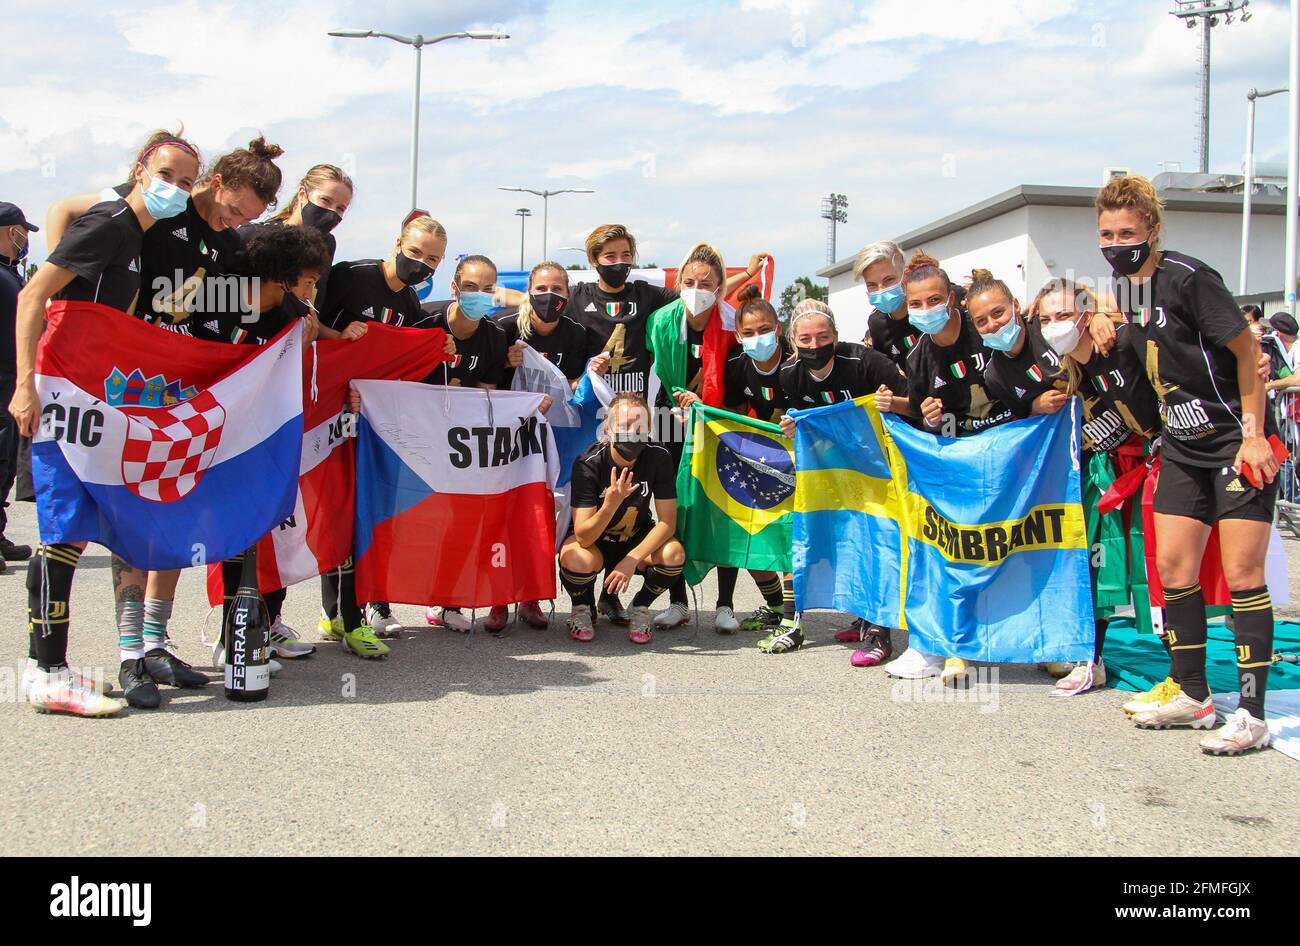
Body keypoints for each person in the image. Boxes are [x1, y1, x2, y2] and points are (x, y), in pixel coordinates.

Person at [12, 130, 204, 715]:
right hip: (62, 389)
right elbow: (33, 296)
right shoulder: (111, 223)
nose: (175, 188)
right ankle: (46, 672)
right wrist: (26, 383)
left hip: (92, 389)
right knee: (62, 527)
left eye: (186, 181)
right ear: (142, 169)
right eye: (167, 174)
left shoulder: (136, 236)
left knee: (82, 520)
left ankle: (56, 667)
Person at [1097, 175, 1280, 754]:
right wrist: (1099, 313)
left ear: (1152, 229)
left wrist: (1253, 437)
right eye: (1106, 233)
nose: (1116, 242)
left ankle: (1252, 713)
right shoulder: (1123, 289)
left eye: (1127, 231)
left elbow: (1248, 352)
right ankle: (1194, 694)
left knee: (1245, 575)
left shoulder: (1190, 277)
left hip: (1234, 443)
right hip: (1179, 447)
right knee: (1174, 571)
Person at [875, 252, 1017, 685]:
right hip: (959, 469)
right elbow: (923, 420)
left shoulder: (988, 331)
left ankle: (1041, 645)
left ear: (952, 299)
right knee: (953, 552)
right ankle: (944, 647)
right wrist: (931, 418)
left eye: (933, 300)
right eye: (915, 304)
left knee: (1021, 550)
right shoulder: (919, 358)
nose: (924, 311)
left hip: (1014, 462)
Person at [314, 214, 457, 640]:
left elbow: (405, 361)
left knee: (359, 515)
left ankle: (351, 612)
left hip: (366, 423)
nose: (420, 264)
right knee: (326, 513)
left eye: (432, 260)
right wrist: (338, 334)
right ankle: (321, 614)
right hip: (323, 414)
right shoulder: (349, 277)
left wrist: (440, 347)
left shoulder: (410, 304)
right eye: (414, 253)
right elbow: (305, 324)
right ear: (396, 243)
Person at [773, 298, 909, 656]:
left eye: (823, 337)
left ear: (835, 335)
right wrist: (792, 427)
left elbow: (914, 403)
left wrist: (893, 403)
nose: (814, 346)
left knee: (879, 541)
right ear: (793, 342)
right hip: (835, 470)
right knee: (846, 539)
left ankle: (880, 632)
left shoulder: (867, 361)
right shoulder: (789, 375)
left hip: (881, 467)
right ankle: (862, 616)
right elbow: (803, 424)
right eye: (805, 339)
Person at [491, 261, 607, 633]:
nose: (549, 297)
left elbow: (584, 385)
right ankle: (498, 599)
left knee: (544, 516)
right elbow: (488, 384)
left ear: (568, 295)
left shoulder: (579, 334)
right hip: (510, 441)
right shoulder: (507, 327)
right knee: (506, 513)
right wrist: (504, 364)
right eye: (542, 289)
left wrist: (588, 374)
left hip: (556, 441)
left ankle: (532, 597)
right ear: (529, 290)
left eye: (558, 290)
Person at [420, 255, 509, 631]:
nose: (478, 295)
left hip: (457, 448)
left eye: (487, 289)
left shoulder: (496, 337)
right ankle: (379, 604)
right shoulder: (423, 321)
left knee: (459, 524)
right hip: (412, 441)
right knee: (408, 522)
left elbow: (487, 396)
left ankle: (447, 602)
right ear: (454, 288)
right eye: (470, 287)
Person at [559, 392, 686, 644]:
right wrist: (610, 504)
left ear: (649, 427)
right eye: (624, 425)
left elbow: (667, 522)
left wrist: (631, 560)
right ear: (607, 427)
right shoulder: (588, 463)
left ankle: (640, 607)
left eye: (639, 426)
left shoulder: (659, 456)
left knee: (673, 554)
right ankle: (582, 607)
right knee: (575, 557)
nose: (632, 431)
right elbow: (583, 535)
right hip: (595, 541)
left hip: (633, 536)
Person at [718, 284, 797, 635]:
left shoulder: (799, 357)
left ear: (778, 329)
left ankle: (793, 614)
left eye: (765, 330)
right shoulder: (736, 362)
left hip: (804, 457)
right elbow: (733, 414)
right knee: (758, 535)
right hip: (763, 458)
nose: (758, 337)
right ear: (738, 335)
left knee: (792, 538)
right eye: (748, 332)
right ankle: (776, 606)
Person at [239, 163, 352, 305]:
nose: (331, 213)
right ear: (302, 194)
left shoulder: (327, 245)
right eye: (325, 200)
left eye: (341, 208)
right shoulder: (253, 235)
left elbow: (313, 305)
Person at [0, 202, 36, 573]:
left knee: (5, 460)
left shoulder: (11, 273)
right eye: (22, 229)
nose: (24, 237)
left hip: (12, 379)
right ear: (10, 230)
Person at [856, 240, 920, 374]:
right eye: (872, 285)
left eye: (889, 280)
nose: (881, 290)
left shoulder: (928, 311)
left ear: (905, 274)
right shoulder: (876, 322)